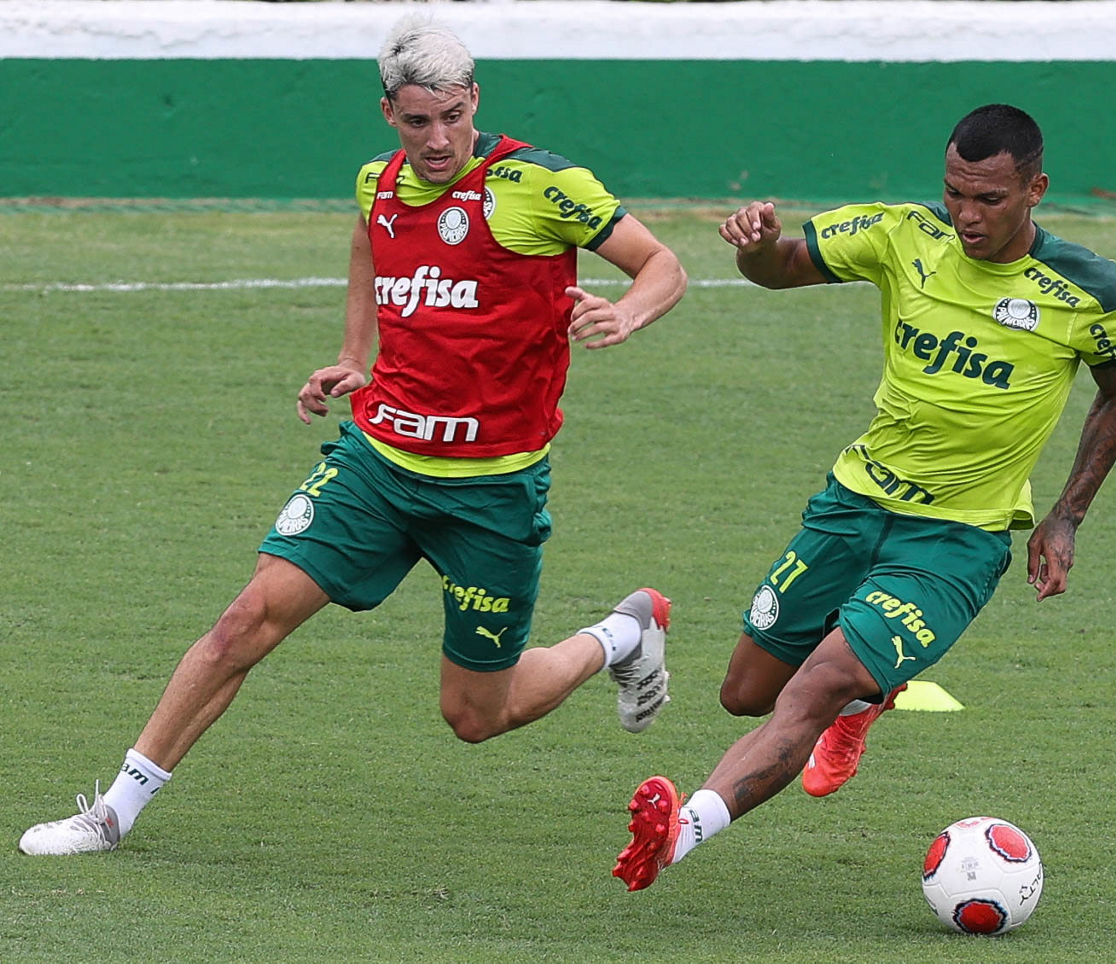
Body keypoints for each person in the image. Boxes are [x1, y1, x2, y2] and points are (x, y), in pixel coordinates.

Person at [20, 15, 686, 856]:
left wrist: (626, 313)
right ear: (388, 114)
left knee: (477, 715)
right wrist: (350, 357)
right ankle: (112, 812)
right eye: (418, 121)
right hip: (378, 466)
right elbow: (369, 250)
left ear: (475, 99)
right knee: (245, 621)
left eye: (453, 116)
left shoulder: (542, 183)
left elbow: (663, 265)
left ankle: (622, 633)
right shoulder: (378, 183)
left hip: (491, 489)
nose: (437, 139)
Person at [613, 104, 1116, 891]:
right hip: (854, 503)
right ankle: (867, 698)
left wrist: (1066, 515)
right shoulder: (903, 234)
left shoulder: (1092, 290)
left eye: (989, 199)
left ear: (1036, 190)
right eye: (955, 192)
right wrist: (756, 248)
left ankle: (680, 833)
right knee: (745, 694)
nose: (966, 215)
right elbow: (781, 267)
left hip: (955, 540)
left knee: (817, 683)